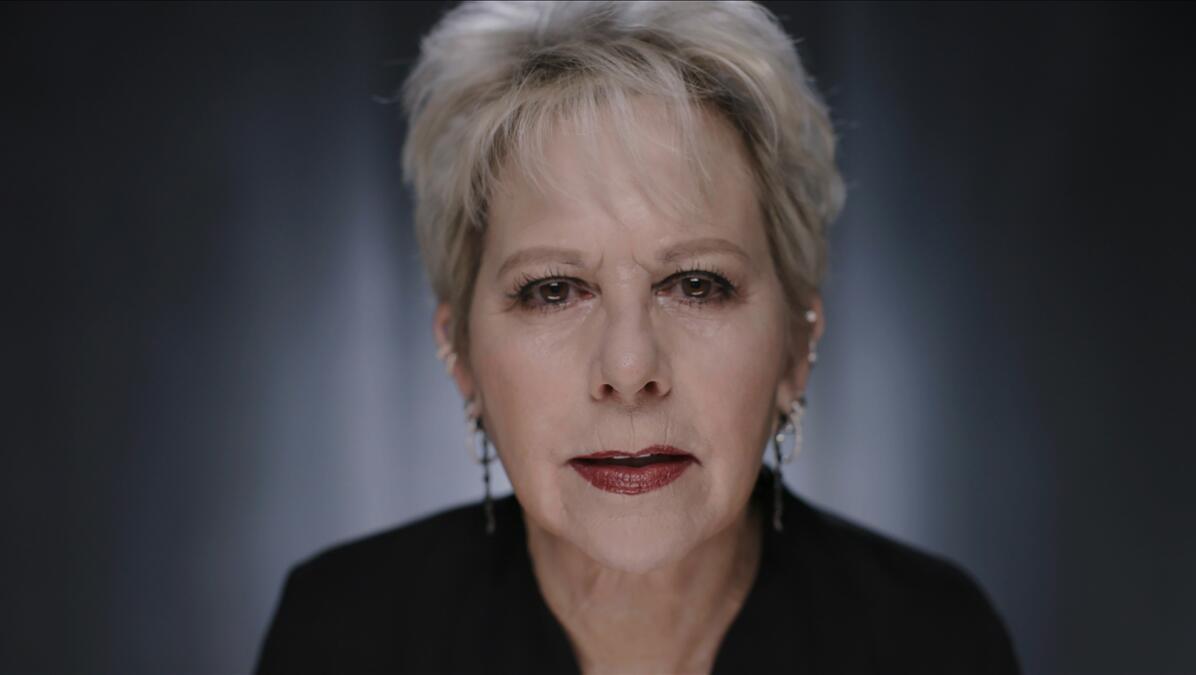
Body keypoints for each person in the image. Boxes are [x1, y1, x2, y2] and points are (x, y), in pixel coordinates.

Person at [255, 2, 1020, 673]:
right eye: (553, 289)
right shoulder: (340, 635)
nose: (629, 368)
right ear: (460, 355)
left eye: (696, 284)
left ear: (795, 345)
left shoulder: (935, 642)